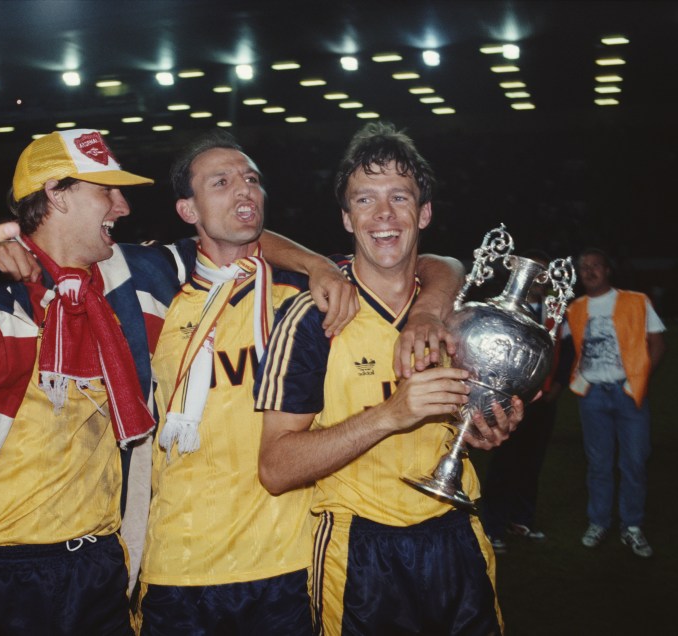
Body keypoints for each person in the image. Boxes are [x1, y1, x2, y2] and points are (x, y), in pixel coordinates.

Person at [0, 128, 361, 634]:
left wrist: (317, 265)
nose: (122, 206)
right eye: (106, 191)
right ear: (56, 193)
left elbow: (236, 235)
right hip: (0, 567)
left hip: (103, 566)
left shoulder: (135, 277)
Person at [136, 130, 466, 635]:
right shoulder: (154, 291)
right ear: (187, 210)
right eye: (221, 182)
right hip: (179, 561)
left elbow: (431, 263)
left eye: (252, 179)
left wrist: (429, 304)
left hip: (286, 561)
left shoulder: (308, 295)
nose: (244, 190)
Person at [255, 122, 523, 635]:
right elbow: (275, 467)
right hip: (359, 550)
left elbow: (470, 409)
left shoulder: (459, 311)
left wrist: (487, 427)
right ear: (346, 217)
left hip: (457, 536)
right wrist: (391, 415)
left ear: (423, 213)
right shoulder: (314, 316)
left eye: (399, 197)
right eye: (365, 199)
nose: (383, 215)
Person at [563, 247, 665, 558]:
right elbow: (558, 343)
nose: (589, 271)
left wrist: (639, 379)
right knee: (598, 464)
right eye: (584, 267)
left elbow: (657, 342)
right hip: (592, 394)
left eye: (595, 265)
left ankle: (632, 526)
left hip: (627, 391)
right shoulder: (575, 308)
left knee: (634, 462)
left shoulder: (636, 300)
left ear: (608, 270)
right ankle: (599, 521)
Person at [479, 250, 574, 552]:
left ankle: (522, 519)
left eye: (543, 274)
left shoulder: (557, 308)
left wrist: (558, 385)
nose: (538, 278)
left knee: (533, 461)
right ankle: (492, 526)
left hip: (545, 400)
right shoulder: (505, 307)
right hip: (512, 401)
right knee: (505, 463)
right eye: (534, 272)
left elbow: (568, 351)